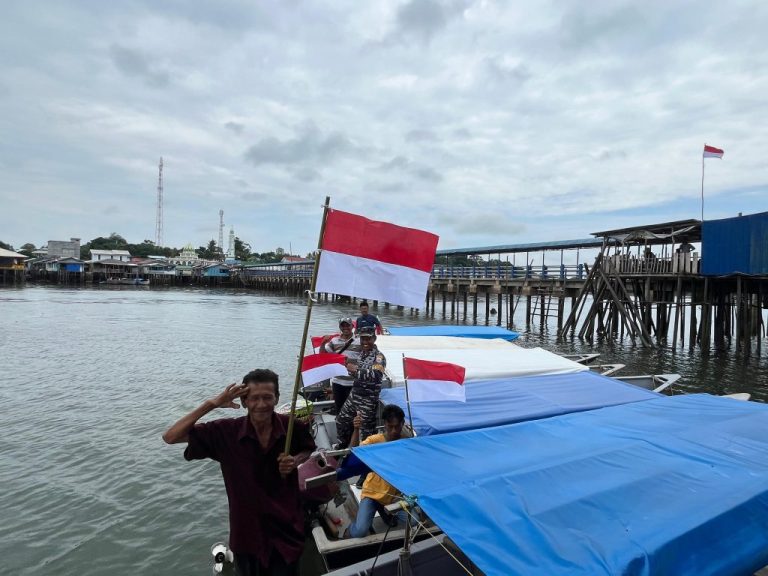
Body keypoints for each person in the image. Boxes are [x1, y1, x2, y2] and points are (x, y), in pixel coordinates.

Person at [162, 369, 315, 576]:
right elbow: (171, 437)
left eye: (267, 397)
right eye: (253, 398)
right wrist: (213, 404)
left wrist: (295, 461)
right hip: (246, 537)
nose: (261, 404)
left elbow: (308, 448)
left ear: (277, 398)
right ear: (243, 402)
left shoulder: (293, 427)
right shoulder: (225, 432)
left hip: (286, 534)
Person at [345, 404, 409, 538]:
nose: (393, 431)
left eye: (397, 426)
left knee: (413, 521)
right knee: (360, 531)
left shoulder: (407, 440)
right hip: (373, 493)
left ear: (403, 423)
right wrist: (356, 429)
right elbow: (353, 451)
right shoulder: (375, 440)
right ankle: (349, 530)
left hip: (394, 495)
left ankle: (385, 511)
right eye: (390, 426)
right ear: (384, 424)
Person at [334, 326, 386, 448]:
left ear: (374, 338)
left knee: (365, 432)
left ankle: (364, 456)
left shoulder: (379, 357)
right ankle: (342, 446)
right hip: (354, 395)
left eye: (368, 339)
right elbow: (357, 374)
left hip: (367, 400)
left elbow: (377, 375)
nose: (365, 342)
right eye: (363, 339)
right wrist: (347, 366)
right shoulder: (361, 354)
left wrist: (356, 370)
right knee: (341, 421)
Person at [321, 317, 361, 412]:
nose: (345, 327)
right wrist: (323, 343)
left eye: (348, 325)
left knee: (353, 411)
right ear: (340, 327)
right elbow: (323, 355)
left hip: (353, 383)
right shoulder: (334, 341)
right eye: (343, 326)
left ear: (352, 326)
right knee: (339, 410)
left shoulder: (359, 341)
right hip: (338, 382)